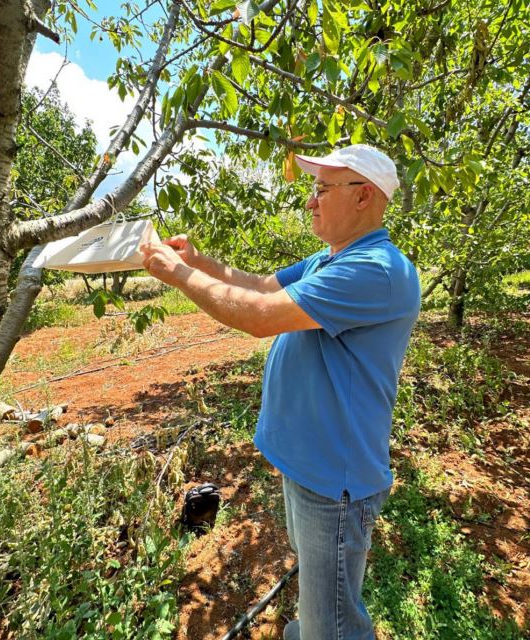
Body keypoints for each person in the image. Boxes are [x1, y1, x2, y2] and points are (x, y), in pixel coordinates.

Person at [139, 144, 420, 639]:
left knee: (334, 621)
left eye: (321, 190)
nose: (311, 202)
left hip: (336, 479)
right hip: (310, 465)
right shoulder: (332, 259)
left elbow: (257, 316)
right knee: (321, 594)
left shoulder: (375, 269)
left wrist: (177, 274)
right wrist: (200, 262)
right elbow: (263, 286)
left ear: (364, 197)